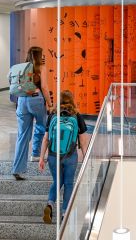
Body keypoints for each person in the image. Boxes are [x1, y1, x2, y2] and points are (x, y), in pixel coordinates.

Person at [39, 90, 90, 224]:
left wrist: (41, 158)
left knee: (57, 181)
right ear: (72, 100)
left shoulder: (53, 115)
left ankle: (50, 205)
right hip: (70, 156)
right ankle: (64, 214)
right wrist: (85, 158)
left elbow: (45, 139)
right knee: (68, 184)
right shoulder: (76, 115)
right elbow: (83, 141)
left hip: (52, 155)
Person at [12, 46, 54, 180]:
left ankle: (17, 168)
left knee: (22, 135)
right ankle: (35, 154)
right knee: (41, 126)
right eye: (42, 54)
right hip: (36, 100)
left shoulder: (21, 67)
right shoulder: (40, 68)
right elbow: (44, 87)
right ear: (38, 56)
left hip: (21, 101)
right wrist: (50, 104)